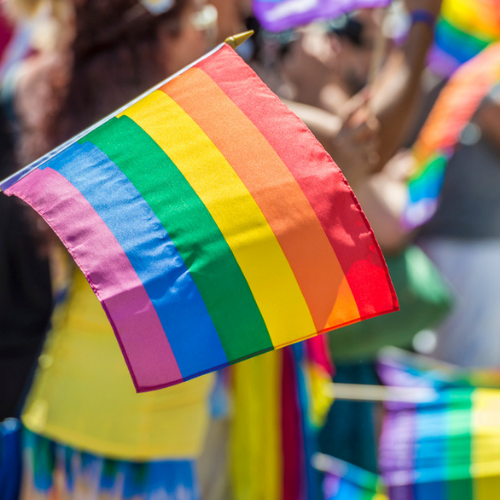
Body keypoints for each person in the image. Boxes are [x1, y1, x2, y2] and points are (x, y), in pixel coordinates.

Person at [9, 0, 219, 498]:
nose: (207, 32)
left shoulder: (86, 121)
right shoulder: (137, 138)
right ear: (156, 38)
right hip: (101, 429)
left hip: (127, 421)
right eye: (198, 21)